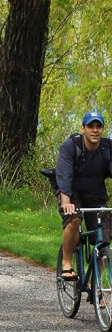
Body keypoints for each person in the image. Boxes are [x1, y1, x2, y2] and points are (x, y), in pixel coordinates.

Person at [55, 109, 112, 278]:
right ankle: (67, 263)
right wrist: (66, 201)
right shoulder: (71, 146)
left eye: (98, 126)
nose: (95, 130)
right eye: (91, 126)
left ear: (102, 129)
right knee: (73, 219)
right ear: (83, 128)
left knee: (104, 238)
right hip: (72, 193)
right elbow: (64, 175)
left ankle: (95, 284)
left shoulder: (107, 147)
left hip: (96, 194)